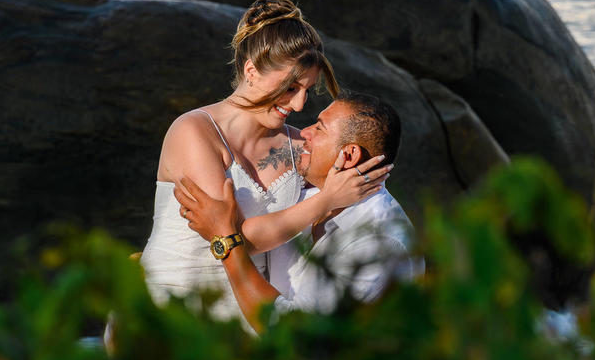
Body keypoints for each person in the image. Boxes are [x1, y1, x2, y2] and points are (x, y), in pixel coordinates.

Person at [138, 0, 391, 327]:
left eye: (307, 90)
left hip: (250, 313)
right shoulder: (194, 132)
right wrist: (327, 200)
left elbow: (358, 178)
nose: (299, 104)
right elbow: (236, 239)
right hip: (172, 304)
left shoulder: (299, 146)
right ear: (251, 71)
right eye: (290, 88)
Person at [175, 91, 423, 333]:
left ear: (348, 155)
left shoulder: (377, 240)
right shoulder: (308, 198)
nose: (304, 132)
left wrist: (224, 239)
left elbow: (294, 333)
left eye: (319, 128)